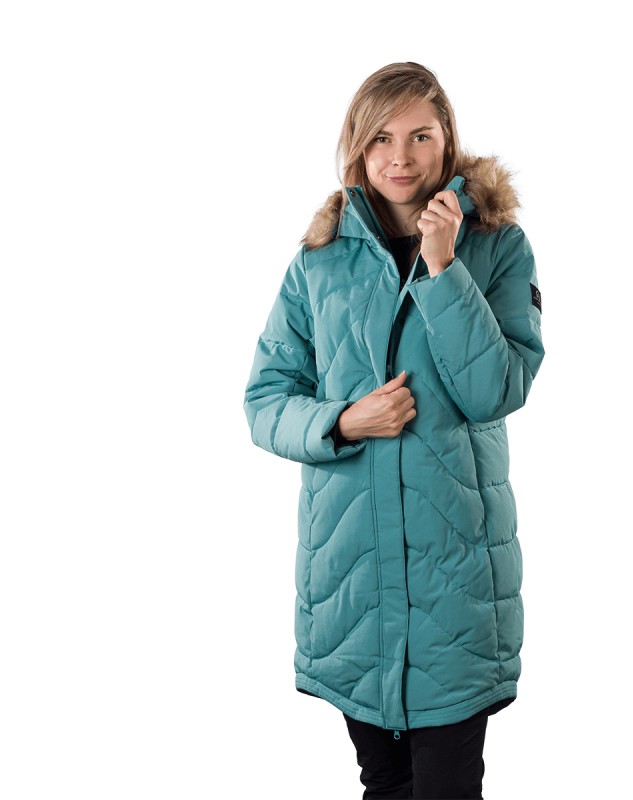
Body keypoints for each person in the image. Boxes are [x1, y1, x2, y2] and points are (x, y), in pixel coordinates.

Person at [243, 62, 544, 799]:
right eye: (381, 138)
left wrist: (444, 270)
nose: (400, 157)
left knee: (445, 788)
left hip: (456, 580)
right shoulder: (318, 256)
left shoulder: (497, 246)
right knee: (382, 784)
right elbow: (265, 400)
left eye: (420, 136)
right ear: (357, 146)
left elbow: (497, 390)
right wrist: (342, 420)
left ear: (448, 141)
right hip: (350, 575)